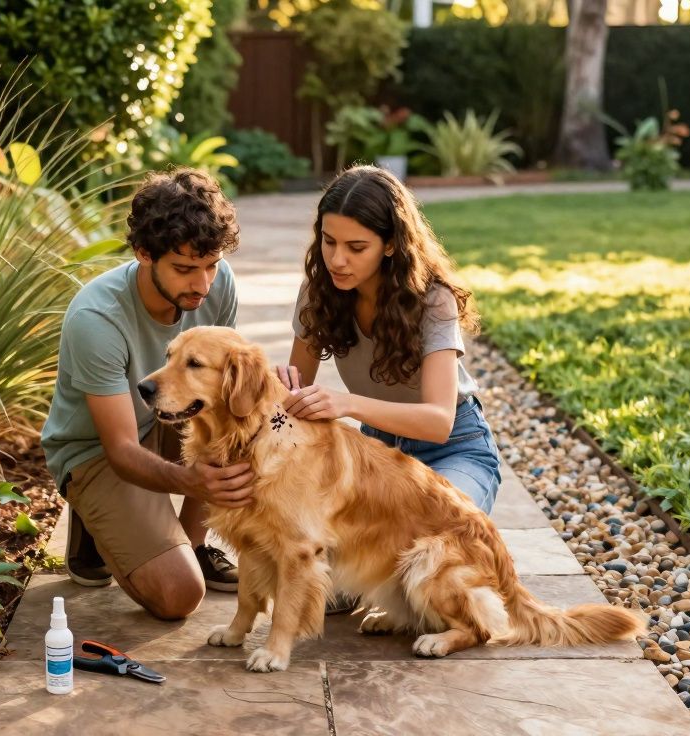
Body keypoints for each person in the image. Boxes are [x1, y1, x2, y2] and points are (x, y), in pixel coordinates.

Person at [277, 165, 502, 614]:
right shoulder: (320, 291)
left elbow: (439, 421)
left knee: (423, 567)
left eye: (356, 247)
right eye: (329, 241)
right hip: (379, 459)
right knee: (330, 592)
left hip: (455, 450)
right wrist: (281, 394)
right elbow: (295, 390)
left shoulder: (432, 299)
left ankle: (476, 568)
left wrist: (346, 404)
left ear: (391, 244)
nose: (337, 259)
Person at [41, 168, 252, 621]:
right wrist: (191, 480)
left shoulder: (218, 284)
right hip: (97, 449)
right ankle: (91, 520)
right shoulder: (97, 318)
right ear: (143, 254)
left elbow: (218, 394)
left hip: (168, 418)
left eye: (211, 265)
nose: (202, 284)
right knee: (178, 596)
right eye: (184, 269)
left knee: (237, 420)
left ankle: (193, 546)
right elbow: (119, 449)